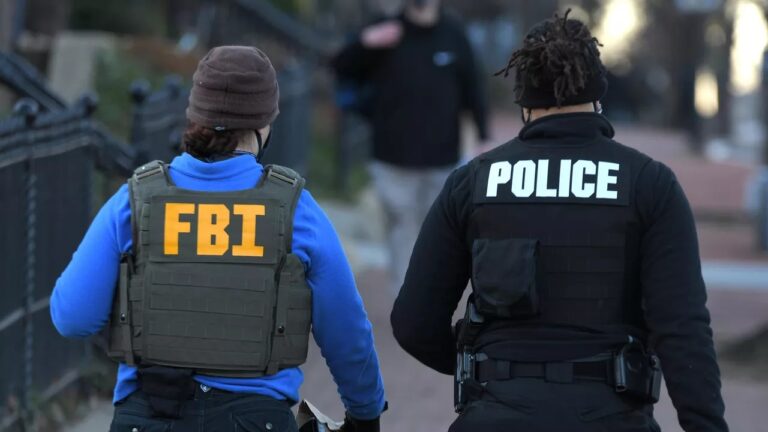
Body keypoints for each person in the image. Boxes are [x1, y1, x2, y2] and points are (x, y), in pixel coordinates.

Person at [390, 11, 729, 432]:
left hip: (494, 415)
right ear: (598, 94)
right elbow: (683, 330)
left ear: (523, 100)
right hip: (612, 418)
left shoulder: (472, 183)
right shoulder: (649, 184)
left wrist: (481, 365)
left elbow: (413, 324)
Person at [51, 46, 386, 432]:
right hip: (255, 420)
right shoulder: (297, 210)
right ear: (264, 125)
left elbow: (72, 317)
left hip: (148, 415)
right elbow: (347, 331)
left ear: (194, 115)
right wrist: (365, 413)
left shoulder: (134, 200)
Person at [332, 0, 490, 292]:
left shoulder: (454, 34)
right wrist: (366, 43)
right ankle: (404, 299)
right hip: (392, 159)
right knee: (402, 231)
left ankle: (432, 297)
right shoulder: (385, 31)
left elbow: (474, 88)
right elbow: (340, 66)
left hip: (442, 159)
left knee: (439, 234)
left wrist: (483, 136)